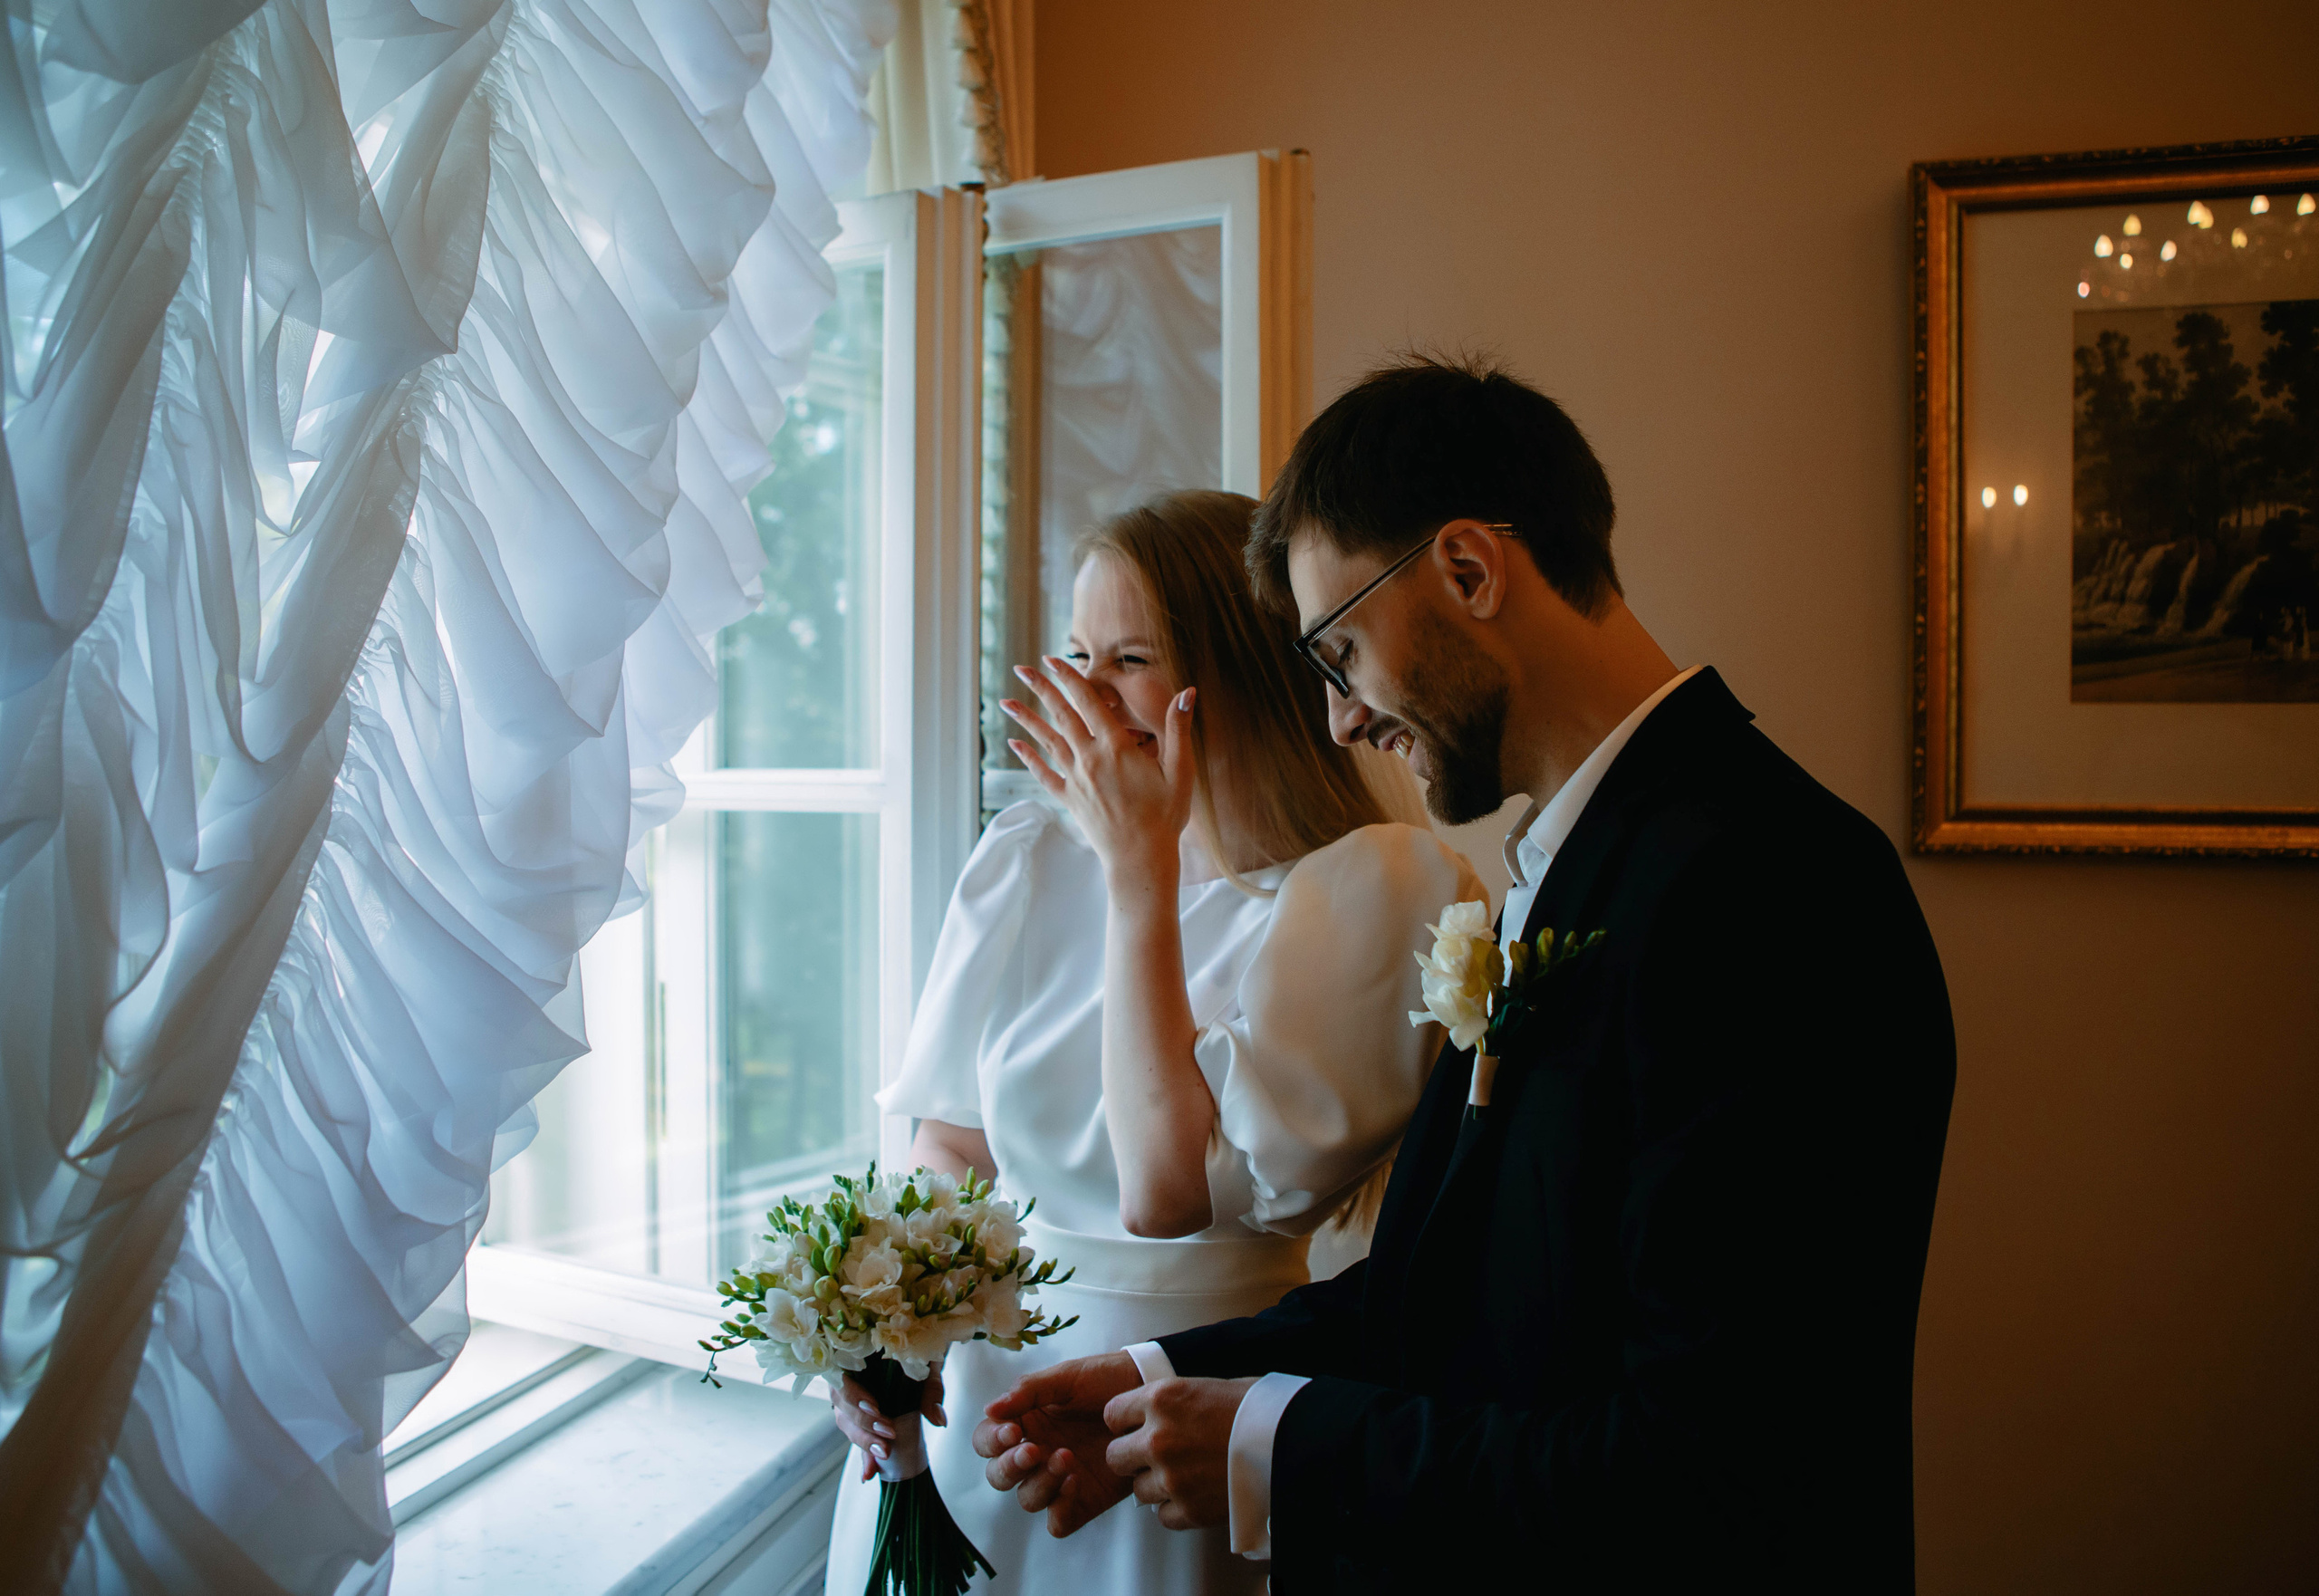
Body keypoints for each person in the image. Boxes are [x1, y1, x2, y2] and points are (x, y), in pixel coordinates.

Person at [974, 357, 1958, 1592]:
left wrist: (1280, 1442)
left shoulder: (1768, 885)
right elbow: (1449, 1287)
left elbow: (1716, 1459)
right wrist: (1157, 1373)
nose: (1339, 720)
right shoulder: (1567, 863)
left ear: (1470, 571)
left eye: (1339, 652)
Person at [818, 488, 1484, 1596]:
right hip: (978, 1406)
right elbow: (951, 1143)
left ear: (1241, 675)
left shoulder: (1372, 889)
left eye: (1127, 656)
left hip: (1166, 1428)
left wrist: (1142, 874)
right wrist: (889, 1327)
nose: (1082, 692)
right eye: (1074, 651)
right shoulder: (1030, 849)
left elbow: (1163, 1192)